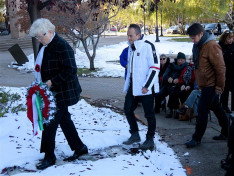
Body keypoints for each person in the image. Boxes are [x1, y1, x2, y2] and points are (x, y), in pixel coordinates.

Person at [29, 18, 88, 170]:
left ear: (50, 31)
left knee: (50, 123)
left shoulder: (62, 46)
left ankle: (49, 156)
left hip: (61, 92)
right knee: (65, 120)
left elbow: (71, 70)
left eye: (40, 36)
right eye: (37, 37)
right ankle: (79, 147)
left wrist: (51, 82)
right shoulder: (46, 45)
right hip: (52, 92)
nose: (39, 39)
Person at [185, 23, 228, 148]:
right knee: (217, 109)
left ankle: (196, 138)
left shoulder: (212, 46)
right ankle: (227, 132)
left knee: (202, 111)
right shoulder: (198, 45)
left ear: (201, 34)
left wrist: (219, 87)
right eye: (191, 38)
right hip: (204, 84)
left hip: (211, 84)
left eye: (194, 38)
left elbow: (220, 68)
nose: (193, 41)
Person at [122, 24, 160, 150]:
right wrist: (129, 86)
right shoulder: (131, 48)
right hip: (134, 87)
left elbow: (155, 67)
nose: (129, 38)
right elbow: (132, 70)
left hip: (146, 88)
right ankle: (135, 134)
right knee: (127, 109)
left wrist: (147, 86)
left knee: (149, 114)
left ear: (138, 35)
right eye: (128, 35)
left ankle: (150, 139)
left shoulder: (148, 46)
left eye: (131, 35)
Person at [154, 52, 187, 118]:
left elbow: (185, 77)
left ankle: (171, 110)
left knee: (173, 93)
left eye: (182, 60)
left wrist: (177, 80)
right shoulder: (171, 65)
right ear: (176, 59)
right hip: (168, 84)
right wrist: (168, 78)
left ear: (185, 60)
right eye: (179, 59)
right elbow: (165, 75)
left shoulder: (186, 66)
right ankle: (156, 109)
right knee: (159, 94)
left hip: (179, 85)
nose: (180, 61)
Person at [219, 30, 234, 113]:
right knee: (225, 90)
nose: (230, 40)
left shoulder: (233, 46)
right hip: (224, 71)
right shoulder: (220, 46)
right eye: (229, 38)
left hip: (232, 71)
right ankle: (224, 106)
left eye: (232, 38)